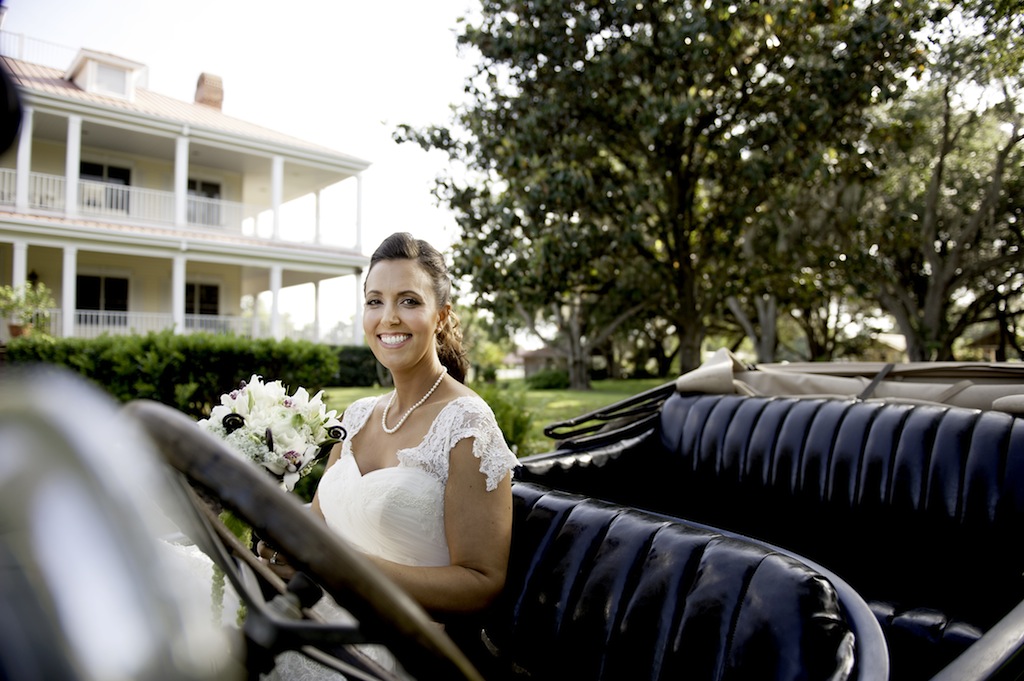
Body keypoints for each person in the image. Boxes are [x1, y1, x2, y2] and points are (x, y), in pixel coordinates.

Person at [259, 232, 520, 678]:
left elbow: (481, 583)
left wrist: (345, 568)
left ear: (441, 317)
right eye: (375, 301)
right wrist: (285, 550)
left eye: (409, 301)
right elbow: (320, 526)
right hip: (317, 612)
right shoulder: (358, 416)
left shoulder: (467, 426)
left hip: (395, 647)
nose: (388, 318)